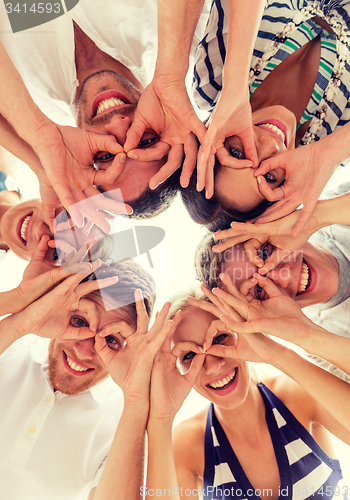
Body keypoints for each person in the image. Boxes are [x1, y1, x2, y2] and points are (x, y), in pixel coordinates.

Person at [0, 0, 209, 227]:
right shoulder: (186, 44)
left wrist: (41, 140)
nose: (119, 125)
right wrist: (171, 74)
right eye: (146, 140)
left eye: (105, 155)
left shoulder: (30, 101)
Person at [142, 282, 350, 500]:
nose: (213, 366)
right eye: (189, 356)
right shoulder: (186, 445)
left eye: (220, 338)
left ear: (244, 332)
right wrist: (160, 417)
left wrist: (276, 355)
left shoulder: (298, 393)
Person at [181, 0, 350, 234]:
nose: (269, 145)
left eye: (237, 153)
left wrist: (235, 81)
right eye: (270, 175)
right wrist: (329, 151)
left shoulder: (212, 84)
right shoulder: (333, 147)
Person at [0, 258, 158, 500]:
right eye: (79, 322)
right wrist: (20, 323)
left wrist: (136, 398)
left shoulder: (124, 424)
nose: (84, 351)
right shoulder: (9, 346)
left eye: (111, 340)